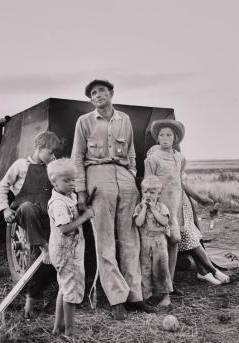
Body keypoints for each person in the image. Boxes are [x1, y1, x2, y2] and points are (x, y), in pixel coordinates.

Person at [71, 79, 153, 320]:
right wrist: (82, 190)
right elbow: (77, 157)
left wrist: (132, 174)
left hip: (124, 177)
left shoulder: (124, 119)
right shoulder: (84, 122)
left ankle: (135, 297)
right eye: (93, 93)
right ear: (90, 99)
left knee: (130, 239)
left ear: (111, 93)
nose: (98, 95)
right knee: (105, 240)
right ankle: (116, 298)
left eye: (102, 91)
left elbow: (131, 152)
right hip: (98, 176)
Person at [145, 119, 230, 285]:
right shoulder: (153, 155)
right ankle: (208, 271)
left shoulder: (179, 157)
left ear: (175, 138)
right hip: (164, 202)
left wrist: (199, 198)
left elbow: (181, 181)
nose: (165, 138)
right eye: (162, 134)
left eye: (169, 135)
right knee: (176, 238)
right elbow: (151, 182)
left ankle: (206, 271)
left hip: (181, 202)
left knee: (188, 237)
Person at [0, 131, 60, 317]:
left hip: (45, 218)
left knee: (39, 260)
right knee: (27, 208)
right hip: (26, 214)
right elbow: (2, 186)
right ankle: (42, 245)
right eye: (50, 153)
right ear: (39, 149)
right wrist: (5, 209)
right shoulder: (20, 165)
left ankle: (30, 303)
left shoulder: (51, 167)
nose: (53, 157)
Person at [47, 158, 94, 337]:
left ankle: (57, 327)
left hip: (68, 250)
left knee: (64, 288)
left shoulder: (68, 196)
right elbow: (65, 228)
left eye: (73, 180)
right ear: (54, 181)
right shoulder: (59, 204)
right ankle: (70, 331)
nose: (72, 184)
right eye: (67, 180)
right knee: (71, 291)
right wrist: (85, 217)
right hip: (67, 253)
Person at [134, 175, 173, 307]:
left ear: (159, 194)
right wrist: (145, 208)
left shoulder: (161, 207)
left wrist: (154, 209)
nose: (148, 195)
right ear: (141, 192)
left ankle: (165, 296)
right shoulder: (139, 208)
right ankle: (147, 296)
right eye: (145, 192)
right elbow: (138, 223)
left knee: (161, 268)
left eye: (152, 192)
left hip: (159, 242)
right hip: (144, 241)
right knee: (145, 269)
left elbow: (164, 221)